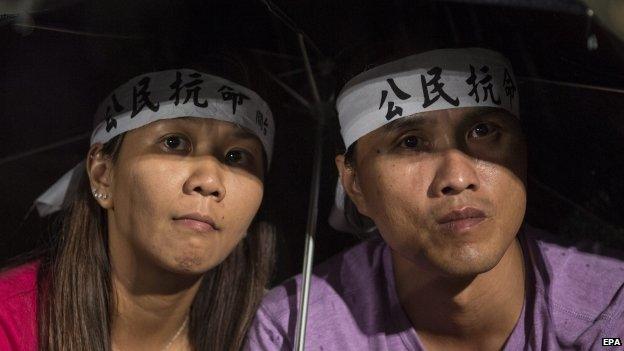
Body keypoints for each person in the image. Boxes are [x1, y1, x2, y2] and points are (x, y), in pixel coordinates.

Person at [245, 48, 624, 350]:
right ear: (355, 183)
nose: (458, 178)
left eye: (483, 130)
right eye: (410, 142)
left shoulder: (609, 312)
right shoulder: (295, 330)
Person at [0, 58, 277, 351]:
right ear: (103, 175)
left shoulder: (275, 333)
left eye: (237, 157)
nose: (209, 181)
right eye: (174, 142)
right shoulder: (10, 323)